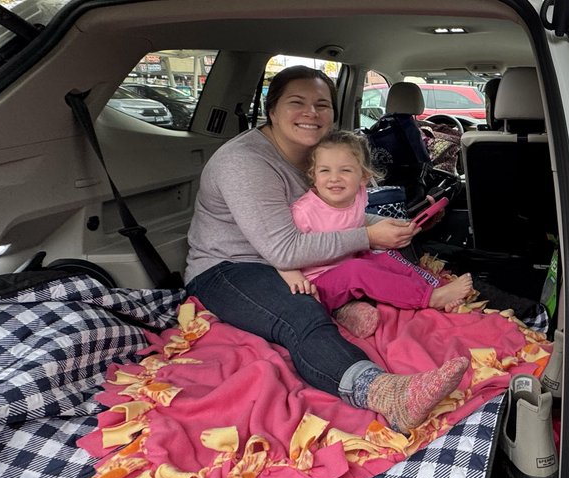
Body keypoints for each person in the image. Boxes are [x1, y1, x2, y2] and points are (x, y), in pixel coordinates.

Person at [184, 66, 468, 432]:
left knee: (379, 264)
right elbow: (284, 250)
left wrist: (388, 227)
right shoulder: (245, 163)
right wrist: (368, 236)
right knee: (302, 313)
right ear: (272, 111)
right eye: (297, 102)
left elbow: (335, 216)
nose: (311, 113)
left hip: (296, 260)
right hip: (231, 267)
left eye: (322, 105)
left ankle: (346, 306)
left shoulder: (318, 152)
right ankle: (384, 393)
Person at [278, 130, 473, 326]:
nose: (334, 178)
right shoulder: (304, 211)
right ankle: (429, 298)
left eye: (345, 170)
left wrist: (404, 226)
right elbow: (280, 252)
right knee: (358, 270)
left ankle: (436, 288)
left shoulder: (357, 196)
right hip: (318, 285)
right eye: (324, 171)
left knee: (385, 257)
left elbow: (353, 222)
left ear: (363, 177)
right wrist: (293, 277)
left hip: (349, 264)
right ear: (313, 175)